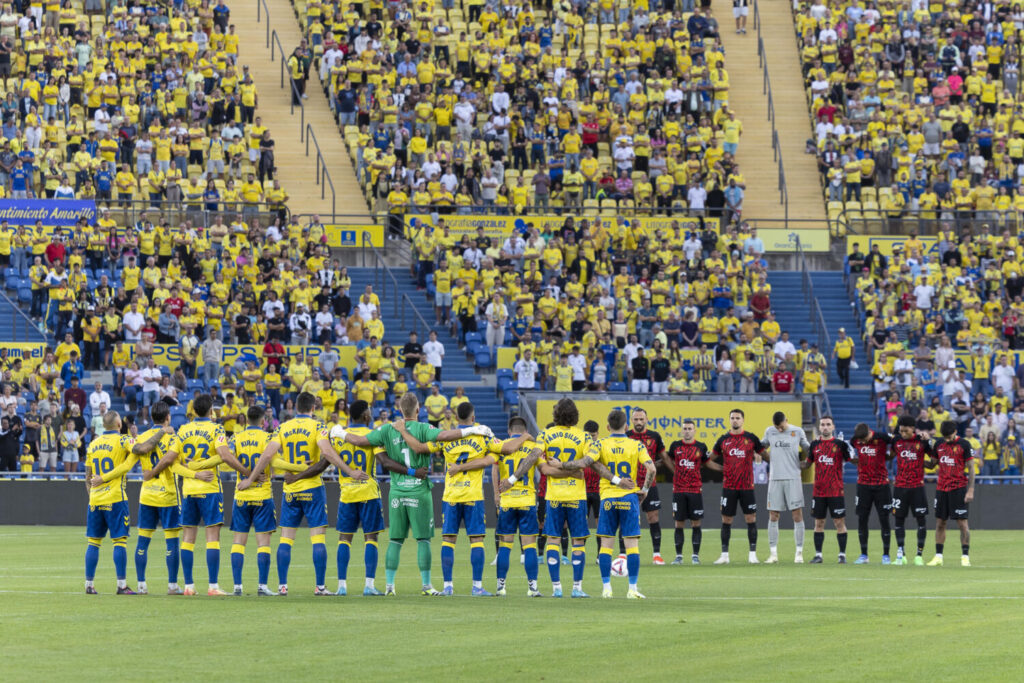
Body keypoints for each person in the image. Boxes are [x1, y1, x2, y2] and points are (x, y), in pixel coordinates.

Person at [335, 392, 492, 596]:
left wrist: (338, 433)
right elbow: (444, 436)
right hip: (418, 490)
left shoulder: (386, 429)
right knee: (423, 540)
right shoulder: (423, 428)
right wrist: (472, 430)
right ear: (418, 410)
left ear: (400, 410)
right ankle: (426, 585)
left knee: (395, 540)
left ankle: (390, 587)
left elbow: (359, 440)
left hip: (397, 492)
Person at [237, 391, 368, 596]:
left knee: (286, 539)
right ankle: (320, 587)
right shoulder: (317, 426)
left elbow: (268, 455)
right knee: (318, 539)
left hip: (290, 491)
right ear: (313, 408)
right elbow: (326, 452)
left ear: (296, 407)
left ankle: (282, 586)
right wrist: (349, 470)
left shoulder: (283, 427)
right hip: (312, 488)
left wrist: (250, 479)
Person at [412, 401, 524, 596]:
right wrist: (525, 437)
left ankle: (448, 586)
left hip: (451, 495)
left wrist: (404, 433)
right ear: (473, 418)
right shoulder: (482, 435)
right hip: (473, 495)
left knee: (448, 540)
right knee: (477, 540)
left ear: (456, 418)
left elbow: (420, 448)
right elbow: (507, 449)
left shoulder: (446, 438)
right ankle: (477, 586)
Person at [287, 400, 387, 596]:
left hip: (347, 494)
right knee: (371, 538)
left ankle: (342, 586)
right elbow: (383, 460)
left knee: (344, 539)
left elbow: (322, 466)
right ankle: (369, 585)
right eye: (370, 412)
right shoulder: (373, 436)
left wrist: (297, 476)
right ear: (366, 416)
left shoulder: (338, 437)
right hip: (368, 492)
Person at [499, 397, 591, 597]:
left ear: (555, 415)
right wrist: (572, 471)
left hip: (554, 496)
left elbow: (534, 459)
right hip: (576, 495)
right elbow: (584, 466)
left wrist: (513, 478)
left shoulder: (546, 434)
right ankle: (577, 588)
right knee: (578, 542)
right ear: (575, 415)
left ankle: (556, 588)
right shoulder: (583, 436)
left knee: (552, 541)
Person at [561, 409, 655, 599]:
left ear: (607, 427)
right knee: (631, 546)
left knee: (605, 546)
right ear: (626, 426)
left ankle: (606, 588)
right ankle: (632, 589)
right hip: (629, 497)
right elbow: (651, 468)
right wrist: (644, 491)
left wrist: (561, 464)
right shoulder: (636, 444)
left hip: (608, 498)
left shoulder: (600, 444)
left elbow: (585, 462)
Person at [227, 406, 305, 596]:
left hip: (241, 496)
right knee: (263, 543)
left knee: (238, 542)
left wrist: (246, 475)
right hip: (262, 497)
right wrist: (299, 467)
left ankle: (237, 587)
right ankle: (262, 586)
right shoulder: (268, 438)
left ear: (246, 421)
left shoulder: (236, 438)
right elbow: (276, 463)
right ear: (263, 422)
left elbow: (225, 460)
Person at [176, 393, 249, 596]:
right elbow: (225, 456)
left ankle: (189, 586)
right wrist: (247, 472)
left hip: (189, 489)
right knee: (212, 538)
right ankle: (213, 586)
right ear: (210, 411)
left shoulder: (183, 429)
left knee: (188, 538)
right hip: (209, 489)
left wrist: (193, 468)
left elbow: (174, 462)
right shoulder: (216, 429)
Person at [130, 403, 197, 595]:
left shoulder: (142, 437)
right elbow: (183, 463)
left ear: (151, 417)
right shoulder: (173, 438)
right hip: (168, 496)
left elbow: (137, 452)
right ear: (168, 417)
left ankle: (141, 585)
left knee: (143, 541)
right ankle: (172, 585)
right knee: (172, 541)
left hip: (147, 495)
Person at [83, 411, 136, 594]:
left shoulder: (93, 444)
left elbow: (87, 478)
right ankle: (121, 585)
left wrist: (93, 496)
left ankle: (89, 585)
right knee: (119, 541)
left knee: (94, 542)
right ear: (119, 424)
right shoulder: (122, 441)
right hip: (115, 498)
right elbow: (133, 456)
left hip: (95, 500)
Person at [490, 416, 542, 596]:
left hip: (507, 501)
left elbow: (494, 470)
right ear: (525, 430)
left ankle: (500, 586)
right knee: (529, 547)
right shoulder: (533, 446)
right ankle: (532, 587)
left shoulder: (501, 445)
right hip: (527, 500)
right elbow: (544, 470)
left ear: (509, 430)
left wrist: (496, 494)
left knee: (505, 546)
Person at [709, 408, 765, 564]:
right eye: (732, 418)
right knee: (726, 520)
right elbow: (708, 459)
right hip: (729, 487)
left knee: (751, 518)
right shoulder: (723, 440)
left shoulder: (751, 438)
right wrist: (721, 469)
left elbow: (765, 455)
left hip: (747, 486)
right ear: (729, 420)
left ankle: (752, 555)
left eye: (737, 418)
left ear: (743, 420)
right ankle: (724, 555)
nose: (735, 420)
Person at [662, 419, 719, 565]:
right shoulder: (675, 446)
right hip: (679, 490)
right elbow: (667, 459)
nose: (687, 431)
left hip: (695, 490)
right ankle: (679, 556)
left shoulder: (700, 447)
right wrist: (673, 471)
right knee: (679, 523)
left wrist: (724, 469)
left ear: (694, 431)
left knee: (696, 523)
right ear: (682, 431)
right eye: (685, 428)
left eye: (689, 428)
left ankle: (695, 556)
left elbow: (708, 463)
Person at [802, 416, 853, 564]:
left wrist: (850, 450)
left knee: (839, 522)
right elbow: (807, 465)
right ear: (819, 427)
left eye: (828, 424)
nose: (825, 427)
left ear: (833, 427)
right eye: (822, 424)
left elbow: (850, 459)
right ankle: (818, 555)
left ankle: (842, 555)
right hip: (819, 491)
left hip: (836, 490)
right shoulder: (814, 445)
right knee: (819, 523)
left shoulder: (839, 444)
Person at [925, 421, 976, 567]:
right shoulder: (939, 444)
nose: (946, 440)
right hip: (941, 488)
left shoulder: (964, 445)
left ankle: (965, 557)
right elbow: (932, 463)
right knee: (940, 522)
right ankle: (938, 557)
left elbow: (971, 468)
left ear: (955, 431)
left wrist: (971, 489)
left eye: (949, 437)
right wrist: (916, 459)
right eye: (944, 437)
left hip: (959, 488)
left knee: (962, 523)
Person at [762, 411, 810, 564]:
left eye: (781, 427)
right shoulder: (770, 431)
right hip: (775, 478)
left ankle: (799, 553)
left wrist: (807, 463)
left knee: (797, 515)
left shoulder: (798, 431)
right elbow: (761, 446)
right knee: (773, 515)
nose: (780, 430)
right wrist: (768, 458)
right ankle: (773, 554)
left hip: (793, 478)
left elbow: (809, 449)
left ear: (786, 421)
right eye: (777, 427)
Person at [889, 415, 934, 565]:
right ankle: (901, 555)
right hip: (900, 487)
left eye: (906, 431)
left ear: (913, 429)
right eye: (901, 431)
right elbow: (890, 455)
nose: (903, 433)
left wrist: (929, 441)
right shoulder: (896, 441)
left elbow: (933, 461)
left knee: (921, 521)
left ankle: (919, 555)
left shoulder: (921, 441)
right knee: (898, 521)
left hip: (917, 487)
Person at [849, 423, 895, 564]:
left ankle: (886, 555)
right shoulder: (855, 440)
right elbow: (851, 452)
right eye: (859, 441)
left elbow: (897, 441)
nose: (861, 443)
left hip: (882, 485)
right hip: (863, 485)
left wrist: (890, 456)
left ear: (869, 433)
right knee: (862, 519)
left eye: (863, 440)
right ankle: (864, 555)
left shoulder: (882, 437)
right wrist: (857, 461)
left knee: (884, 520)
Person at [626, 407, 666, 564]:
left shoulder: (654, 436)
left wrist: (676, 471)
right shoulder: (627, 436)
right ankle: (624, 554)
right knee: (628, 518)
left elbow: (664, 458)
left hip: (650, 484)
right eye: (636, 419)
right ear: (631, 421)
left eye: (641, 419)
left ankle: (657, 554)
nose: (638, 422)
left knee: (653, 517)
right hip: (630, 485)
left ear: (646, 420)